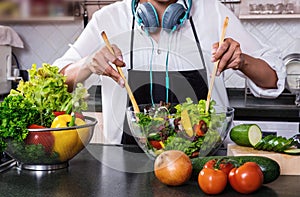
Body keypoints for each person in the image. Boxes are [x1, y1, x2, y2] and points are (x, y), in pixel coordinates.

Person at [53, 0, 285, 144]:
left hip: (206, 163)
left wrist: (242, 60)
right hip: (129, 163)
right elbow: (56, 80)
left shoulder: (214, 13)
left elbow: (272, 80)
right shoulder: (108, 19)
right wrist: (86, 64)